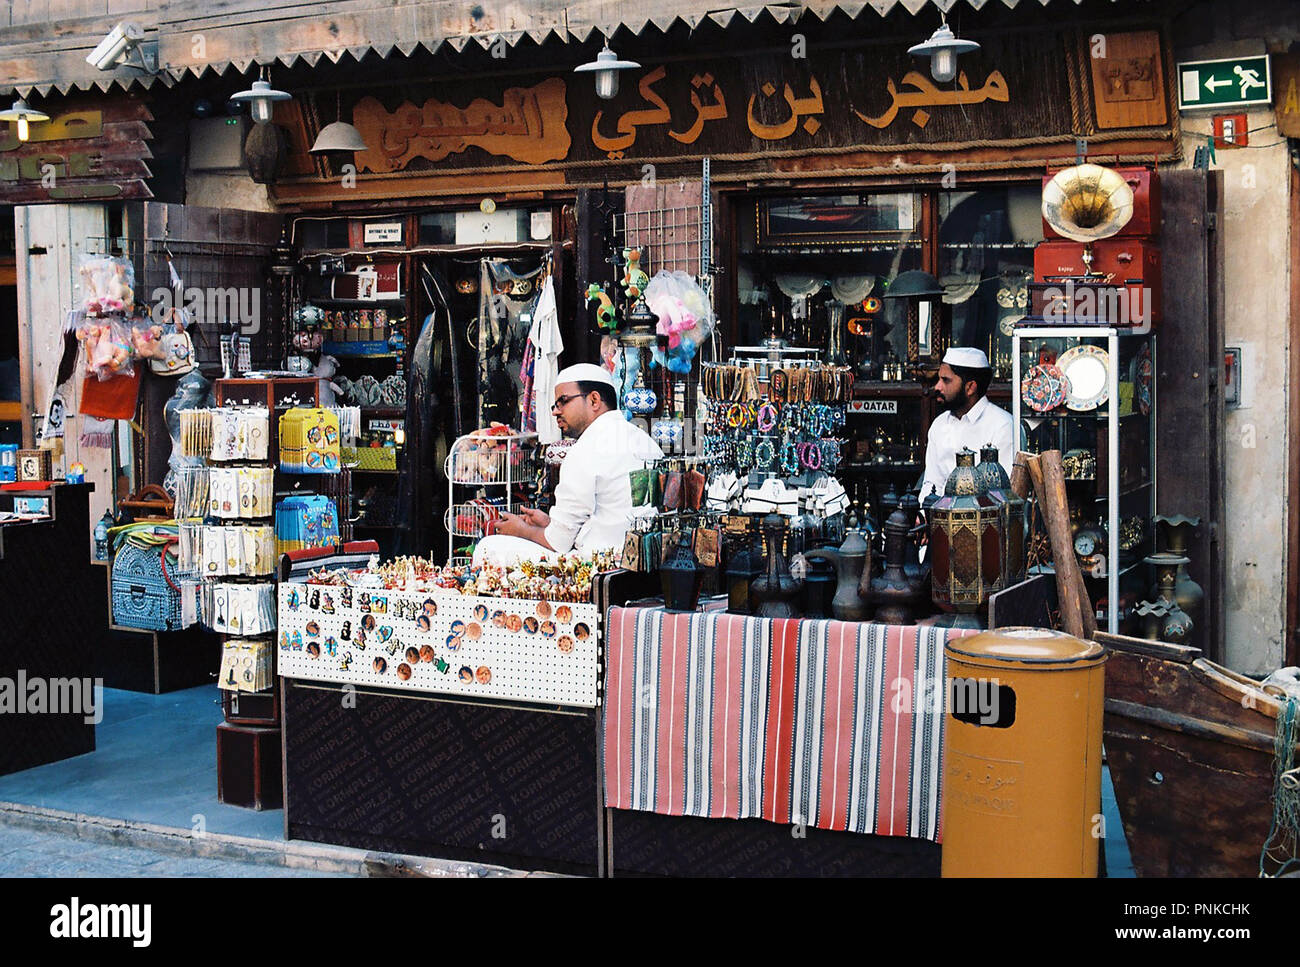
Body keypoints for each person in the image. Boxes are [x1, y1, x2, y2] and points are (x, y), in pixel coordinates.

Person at [471, 363, 662, 566]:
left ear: (594, 400)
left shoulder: (586, 449)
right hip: (644, 562)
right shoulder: (644, 441)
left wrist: (521, 530)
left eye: (563, 401)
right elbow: (605, 515)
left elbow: (558, 543)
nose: (556, 412)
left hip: (598, 564)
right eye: (555, 405)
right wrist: (548, 524)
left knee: (488, 547)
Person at [920, 346, 1014, 498]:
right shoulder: (940, 424)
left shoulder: (1003, 425)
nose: (937, 387)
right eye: (939, 379)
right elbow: (932, 483)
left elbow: (1004, 492)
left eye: (946, 380)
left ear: (970, 387)